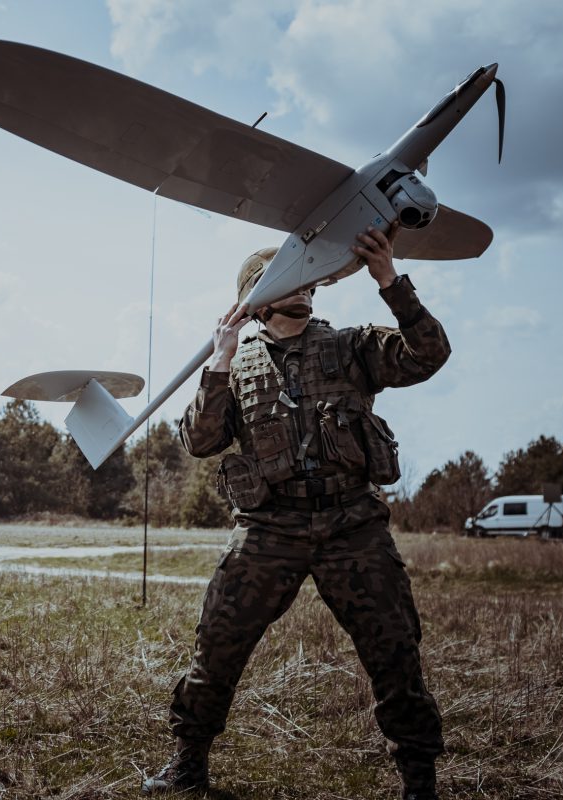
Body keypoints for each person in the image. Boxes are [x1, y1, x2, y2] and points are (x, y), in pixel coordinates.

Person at [142, 224, 449, 800]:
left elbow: (428, 354)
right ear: (256, 300)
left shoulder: (352, 346)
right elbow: (200, 441)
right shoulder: (236, 366)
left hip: (351, 523)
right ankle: (188, 764)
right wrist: (219, 360)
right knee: (218, 642)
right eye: (289, 282)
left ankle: (419, 780)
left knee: (395, 649)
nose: (304, 289)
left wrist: (389, 280)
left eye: (309, 281)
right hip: (269, 527)